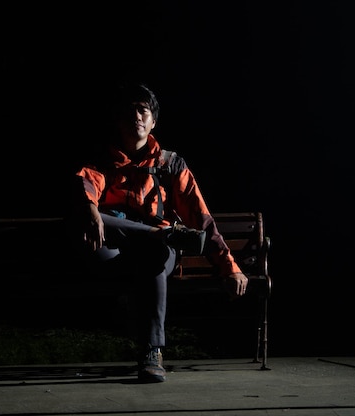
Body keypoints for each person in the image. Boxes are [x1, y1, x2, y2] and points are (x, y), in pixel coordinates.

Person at [68, 82, 248, 383]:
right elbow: (86, 183)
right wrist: (89, 210)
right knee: (93, 218)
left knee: (156, 253)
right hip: (114, 253)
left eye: (144, 110)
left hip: (155, 256)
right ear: (118, 120)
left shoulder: (170, 164)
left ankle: (152, 352)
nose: (137, 116)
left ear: (153, 122)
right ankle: (156, 234)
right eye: (130, 111)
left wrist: (230, 268)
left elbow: (201, 219)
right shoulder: (103, 161)